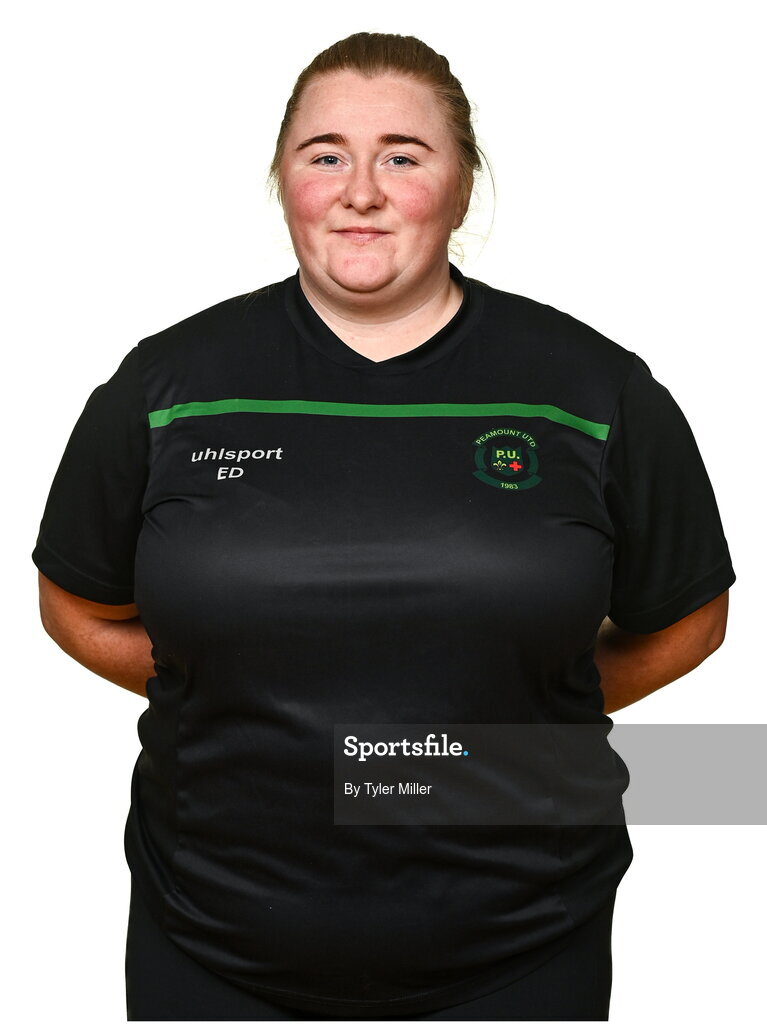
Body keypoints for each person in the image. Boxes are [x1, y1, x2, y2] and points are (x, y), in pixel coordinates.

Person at [33, 31, 734, 1022]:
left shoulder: (594, 390)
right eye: (325, 155)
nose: (359, 191)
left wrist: (501, 732)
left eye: (402, 156)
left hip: (522, 947)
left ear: (461, 184)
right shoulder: (165, 386)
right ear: (283, 179)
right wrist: (226, 690)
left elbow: (689, 619)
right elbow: (74, 602)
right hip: (211, 942)